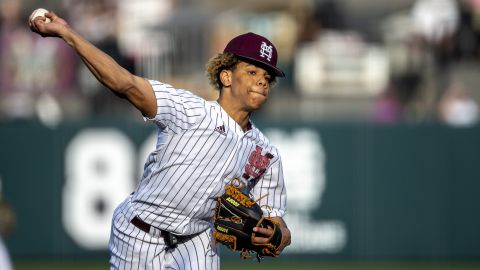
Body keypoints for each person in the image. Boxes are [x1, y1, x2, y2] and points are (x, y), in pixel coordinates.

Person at [29, 10, 291, 270]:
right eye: (252, 72)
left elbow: (277, 223)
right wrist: (68, 33)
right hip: (139, 233)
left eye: (267, 77)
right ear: (226, 76)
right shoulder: (189, 111)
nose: (262, 82)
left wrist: (276, 235)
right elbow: (125, 83)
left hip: (198, 240)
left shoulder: (265, 153)